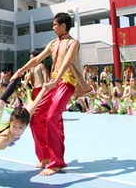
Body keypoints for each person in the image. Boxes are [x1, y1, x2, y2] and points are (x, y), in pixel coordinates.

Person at [11, 12, 91, 176]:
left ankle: (57, 162)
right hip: (53, 82)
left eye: (55, 25)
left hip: (66, 82)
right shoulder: (53, 43)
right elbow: (37, 59)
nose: (53, 28)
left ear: (63, 26)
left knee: (52, 117)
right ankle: (46, 156)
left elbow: (67, 62)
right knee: (34, 116)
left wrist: (56, 80)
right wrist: (20, 71)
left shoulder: (73, 43)